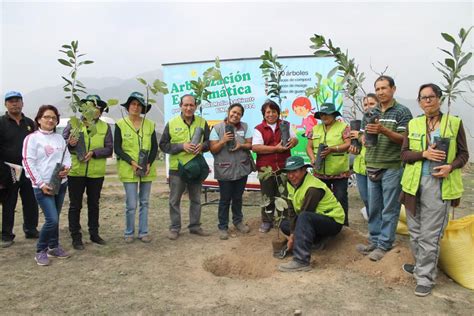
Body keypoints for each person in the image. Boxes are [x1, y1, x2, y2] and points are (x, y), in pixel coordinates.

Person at [400, 83, 469, 297]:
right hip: (413, 185)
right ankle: (422, 265)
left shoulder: (454, 123)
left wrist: (450, 166)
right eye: (423, 98)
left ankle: (425, 277)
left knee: (430, 235)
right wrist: (424, 154)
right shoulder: (413, 123)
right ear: (419, 102)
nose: (427, 101)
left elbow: (464, 155)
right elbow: (404, 155)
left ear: (440, 99)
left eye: (431, 97)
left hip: (439, 185)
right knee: (415, 231)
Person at [356, 75, 413, 261]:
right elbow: (364, 137)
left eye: (384, 88)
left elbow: (405, 140)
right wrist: (363, 139)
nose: (380, 92)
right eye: (377, 88)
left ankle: (384, 244)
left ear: (393, 89)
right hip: (372, 164)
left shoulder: (402, 112)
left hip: (392, 166)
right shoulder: (370, 113)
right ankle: (374, 240)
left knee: (390, 208)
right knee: (373, 207)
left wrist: (384, 131)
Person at [22, 105, 71, 266]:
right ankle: (40, 250)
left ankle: (54, 246)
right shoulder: (32, 138)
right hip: (43, 186)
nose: (50, 120)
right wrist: (40, 183)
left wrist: (66, 169)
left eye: (54, 118)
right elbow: (28, 162)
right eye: (46, 117)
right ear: (39, 119)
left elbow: (67, 157)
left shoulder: (59, 139)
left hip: (60, 184)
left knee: (55, 217)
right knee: (52, 219)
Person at [278, 156, 345, 272]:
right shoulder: (290, 183)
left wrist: (293, 238)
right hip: (314, 220)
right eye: (288, 172)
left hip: (333, 221)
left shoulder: (313, 188)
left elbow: (304, 214)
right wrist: (293, 234)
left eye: (295, 171)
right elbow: (292, 211)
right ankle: (318, 242)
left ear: (304, 170)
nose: (291, 175)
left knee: (304, 217)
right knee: (284, 224)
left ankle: (301, 260)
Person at [63, 95, 113, 250]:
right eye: (89, 107)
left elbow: (109, 148)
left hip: (96, 173)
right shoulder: (74, 124)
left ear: (101, 111)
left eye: (97, 108)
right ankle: (76, 237)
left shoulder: (105, 127)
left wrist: (93, 152)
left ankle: (94, 234)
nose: (93, 110)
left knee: (94, 204)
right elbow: (62, 145)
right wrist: (69, 143)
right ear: (83, 109)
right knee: (75, 205)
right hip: (76, 172)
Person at [159, 94, 211, 240]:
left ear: (195, 106)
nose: (189, 108)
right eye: (186, 105)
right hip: (177, 168)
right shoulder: (172, 123)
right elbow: (163, 145)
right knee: (174, 200)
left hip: (195, 167)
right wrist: (182, 146)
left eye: (191, 105)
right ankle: (175, 228)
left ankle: (195, 226)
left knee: (196, 199)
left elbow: (209, 143)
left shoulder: (202, 122)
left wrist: (202, 146)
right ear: (180, 106)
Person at [115, 92, 158, 243]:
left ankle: (143, 232)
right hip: (129, 168)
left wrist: (149, 163)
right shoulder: (120, 124)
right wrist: (131, 162)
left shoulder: (150, 124)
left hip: (147, 168)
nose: (136, 107)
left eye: (139, 104)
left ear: (143, 108)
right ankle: (128, 233)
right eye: (133, 104)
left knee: (145, 201)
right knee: (131, 204)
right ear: (128, 106)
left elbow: (154, 148)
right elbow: (118, 149)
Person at [252, 100, 298, 233]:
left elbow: (295, 139)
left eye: (273, 111)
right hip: (265, 169)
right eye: (268, 112)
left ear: (278, 113)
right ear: (263, 114)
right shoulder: (259, 129)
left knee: (283, 195)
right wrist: (275, 149)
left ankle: (283, 220)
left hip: (284, 167)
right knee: (267, 195)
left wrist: (293, 142)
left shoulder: (285, 125)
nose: (271, 114)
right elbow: (256, 147)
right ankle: (267, 221)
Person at [0, 91, 39, 248]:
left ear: (22, 103)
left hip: (28, 169)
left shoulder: (30, 123)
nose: (14, 104)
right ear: (6, 104)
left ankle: (31, 229)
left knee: (31, 201)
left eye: (17, 101)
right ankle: (6, 235)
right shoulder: (1, 123)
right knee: (9, 203)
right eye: (11, 101)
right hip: (8, 170)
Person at [210, 103, 253, 240]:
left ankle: (238, 222)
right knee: (225, 199)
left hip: (241, 168)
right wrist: (223, 141)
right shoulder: (217, 128)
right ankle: (223, 227)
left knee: (238, 197)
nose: (235, 115)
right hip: (225, 170)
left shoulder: (245, 127)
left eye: (238, 114)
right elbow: (213, 149)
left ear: (241, 116)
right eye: (233, 112)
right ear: (228, 112)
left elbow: (250, 145)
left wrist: (241, 145)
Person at [306, 102, 350, 226]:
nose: (324, 117)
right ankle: (325, 224)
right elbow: (308, 147)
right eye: (322, 114)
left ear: (334, 115)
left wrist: (332, 149)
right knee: (322, 199)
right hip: (320, 173)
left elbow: (347, 144)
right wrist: (312, 158)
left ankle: (343, 224)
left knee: (340, 197)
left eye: (327, 114)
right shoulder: (315, 129)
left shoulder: (343, 126)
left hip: (339, 172)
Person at [349, 94, 379, 220]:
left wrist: (359, 136)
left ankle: (377, 226)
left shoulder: (380, 123)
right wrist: (354, 149)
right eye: (365, 105)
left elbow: (371, 143)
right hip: (360, 167)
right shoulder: (362, 122)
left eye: (371, 104)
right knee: (365, 198)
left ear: (378, 104)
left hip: (374, 166)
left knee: (375, 200)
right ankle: (373, 223)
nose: (368, 107)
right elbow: (360, 149)